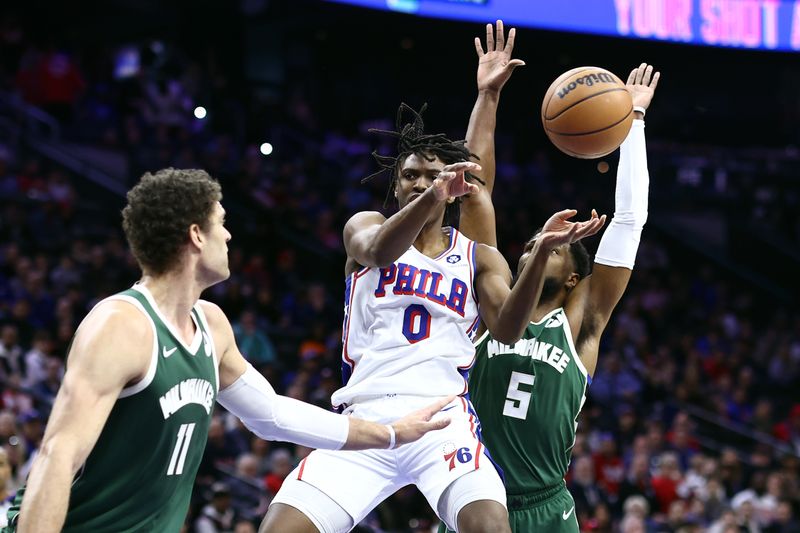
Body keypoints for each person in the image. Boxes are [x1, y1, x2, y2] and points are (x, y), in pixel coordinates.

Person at [260, 23, 605, 533]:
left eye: (433, 175)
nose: (421, 182)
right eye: (410, 175)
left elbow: (508, 329)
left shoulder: (478, 257)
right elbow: (378, 250)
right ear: (396, 185)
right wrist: (434, 196)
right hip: (364, 419)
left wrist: (487, 96)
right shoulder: (367, 227)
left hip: (444, 423)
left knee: (490, 526)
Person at [4, 168, 455, 533]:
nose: (230, 237)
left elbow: (273, 415)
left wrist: (393, 433)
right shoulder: (121, 324)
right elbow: (57, 455)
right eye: (222, 223)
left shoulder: (211, 325)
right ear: (197, 235)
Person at [440, 62, 660, 532]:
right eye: (537, 240)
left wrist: (634, 121)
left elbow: (629, 220)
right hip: (473, 498)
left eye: (556, 244)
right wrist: (488, 97)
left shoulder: (582, 322)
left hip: (546, 508)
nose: (541, 242)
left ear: (575, 278)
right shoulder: (487, 298)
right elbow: (475, 190)